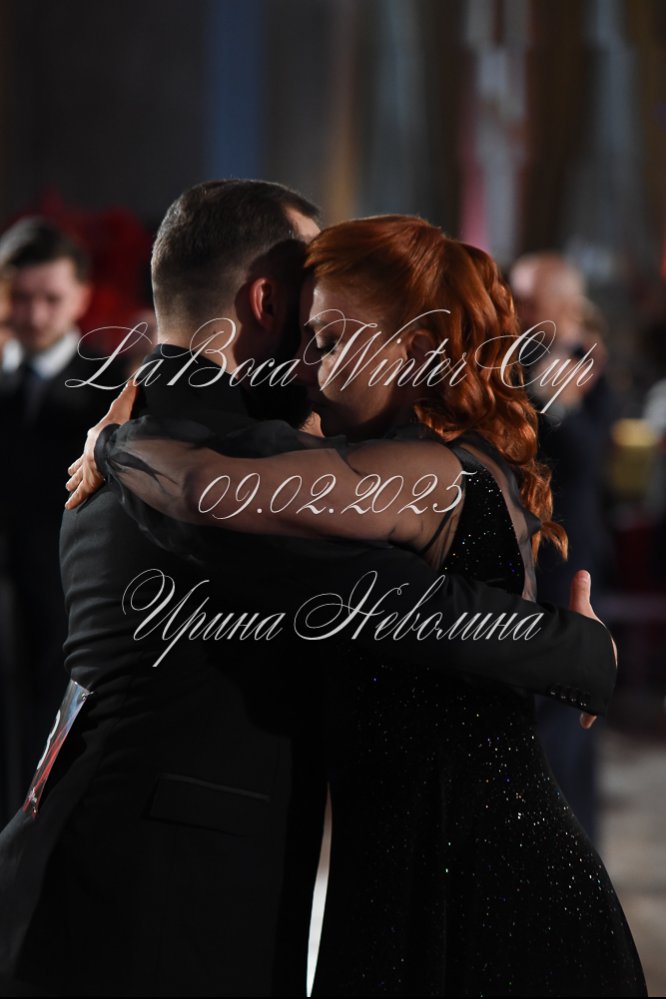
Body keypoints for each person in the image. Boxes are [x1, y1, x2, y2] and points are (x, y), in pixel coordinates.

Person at [0, 182, 616, 999]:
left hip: (415, 869)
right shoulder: (219, 455)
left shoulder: (173, 429)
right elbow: (400, 607)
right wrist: (578, 650)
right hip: (165, 899)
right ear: (268, 300)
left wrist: (119, 434)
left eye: (330, 336)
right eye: (309, 322)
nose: (306, 360)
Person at [0, 219, 125, 820]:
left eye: (50, 298)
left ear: (81, 296)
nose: (34, 314)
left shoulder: (114, 390)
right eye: (20, 297)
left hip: (71, 599)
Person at [510, 252, 616, 842]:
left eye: (532, 300)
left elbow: (588, 454)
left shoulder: (581, 360)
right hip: (529, 550)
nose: (519, 309)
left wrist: (558, 396)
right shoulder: (516, 359)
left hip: (570, 556)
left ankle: (568, 841)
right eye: (517, 297)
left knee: (567, 704)